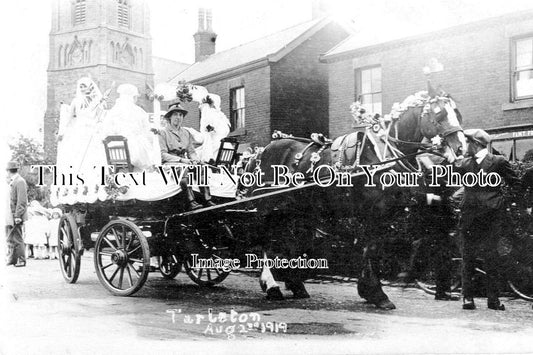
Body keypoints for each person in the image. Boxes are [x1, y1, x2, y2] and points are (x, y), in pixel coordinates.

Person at [454, 129, 520, 311]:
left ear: (475, 144)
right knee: (468, 258)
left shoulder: (498, 161)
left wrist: (502, 202)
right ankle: (467, 298)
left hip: (491, 219)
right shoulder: (465, 163)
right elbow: (448, 169)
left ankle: (493, 300)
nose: (465, 147)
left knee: (492, 259)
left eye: (467, 143)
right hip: (469, 219)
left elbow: (516, 183)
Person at [158, 102, 215, 210]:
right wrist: (181, 160)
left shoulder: (186, 133)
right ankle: (191, 202)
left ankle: (207, 199)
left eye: (180, 115)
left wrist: (195, 160)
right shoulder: (163, 133)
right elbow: (163, 155)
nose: (178, 117)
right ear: (169, 117)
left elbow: (191, 151)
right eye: (175, 114)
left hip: (184, 162)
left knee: (201, 168)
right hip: (170, 163)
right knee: (183, 170)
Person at [104, 83, 160, 170]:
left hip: (114, 151)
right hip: (133, 151)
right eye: (136, 97)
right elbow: (147, 130)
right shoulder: (138, 111)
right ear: (133, 97)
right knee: (148, 149)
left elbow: (106, 131)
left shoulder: (112, 112)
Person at [6, 161, 28, 267]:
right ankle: (12, 259)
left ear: (8, 171)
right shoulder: (14, 181)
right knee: (11, 237)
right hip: (11, 214)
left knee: (17, 237)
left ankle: (21, 259)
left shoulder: (20, 181)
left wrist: (18, 215)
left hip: (17, 214)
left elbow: (22, 201)